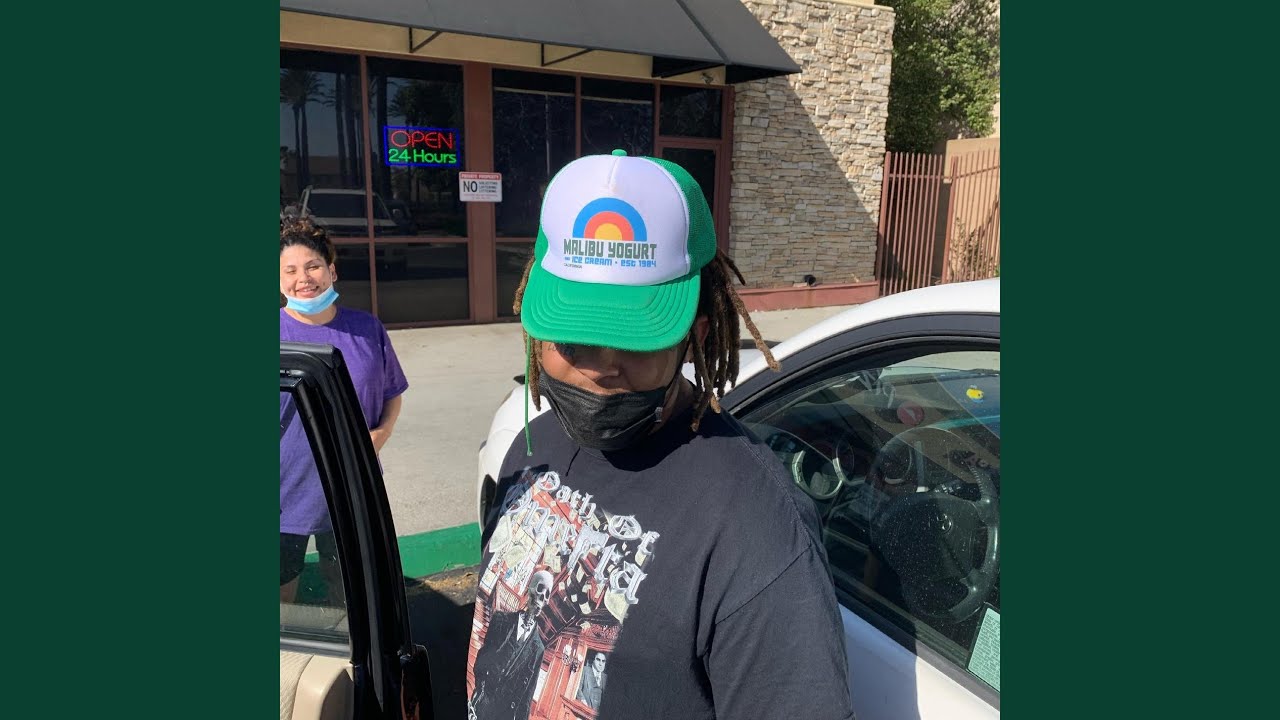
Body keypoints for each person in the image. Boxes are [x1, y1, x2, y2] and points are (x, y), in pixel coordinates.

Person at [466, 150, 854, 720]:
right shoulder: (535, 444)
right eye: (572, 337)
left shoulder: (756, 529)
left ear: (695, 334)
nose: (600, 367)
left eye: (635, 338)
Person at [279, 217, 409, 603]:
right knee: (282, 598)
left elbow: (392, 393)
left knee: (351, 592)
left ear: (331, 271)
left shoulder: (366, 329)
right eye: (290, 270)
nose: (304, 278)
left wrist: (381, 435)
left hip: (353, 484)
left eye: (313, 266)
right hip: (284, 492)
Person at [469, 570, 554, 720]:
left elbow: (527, 697)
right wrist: (480, 691)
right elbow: (482, 659)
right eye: (540, 590)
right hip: (483, 700)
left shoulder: (539, 649)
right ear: (530, 589)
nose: (542, 598)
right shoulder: (500, 620)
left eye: (547, 595)